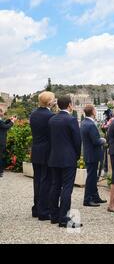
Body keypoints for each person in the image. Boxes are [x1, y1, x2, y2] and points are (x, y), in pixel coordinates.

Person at [48, 95, 82, 228]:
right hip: (68, 158)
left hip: (54, 157)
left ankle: (54, 216)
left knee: (55, 185)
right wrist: (77, 155)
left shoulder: (52, 119)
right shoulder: (71, 120)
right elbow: (77, 141)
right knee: (67, 188)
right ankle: (64, 219)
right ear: (69, 105)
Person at [29, 91, 56, 220]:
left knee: (37, 180)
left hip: (36, 150)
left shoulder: (33, 115)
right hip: (46, 151)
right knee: (46, 180)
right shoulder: (50, 116)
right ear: (49, 102)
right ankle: (44, 211)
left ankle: (36, 208)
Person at [80, 104, 107, 207]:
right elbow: (96, 141)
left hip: (88, 153)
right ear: (92, 112)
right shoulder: (90, 125)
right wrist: (103, 139)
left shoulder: (83, 122)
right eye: (95, 110)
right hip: (92, 154)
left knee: (93, 176)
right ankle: (87, 199)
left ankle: (95, 197)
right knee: (91, 178)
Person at [0, 108, 16, 178]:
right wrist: (12, 122)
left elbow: (3, 124)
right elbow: (5, 126)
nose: (3, 113)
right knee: (0, 155)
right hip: (1, 141)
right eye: (2, 112)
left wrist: (9, 120)